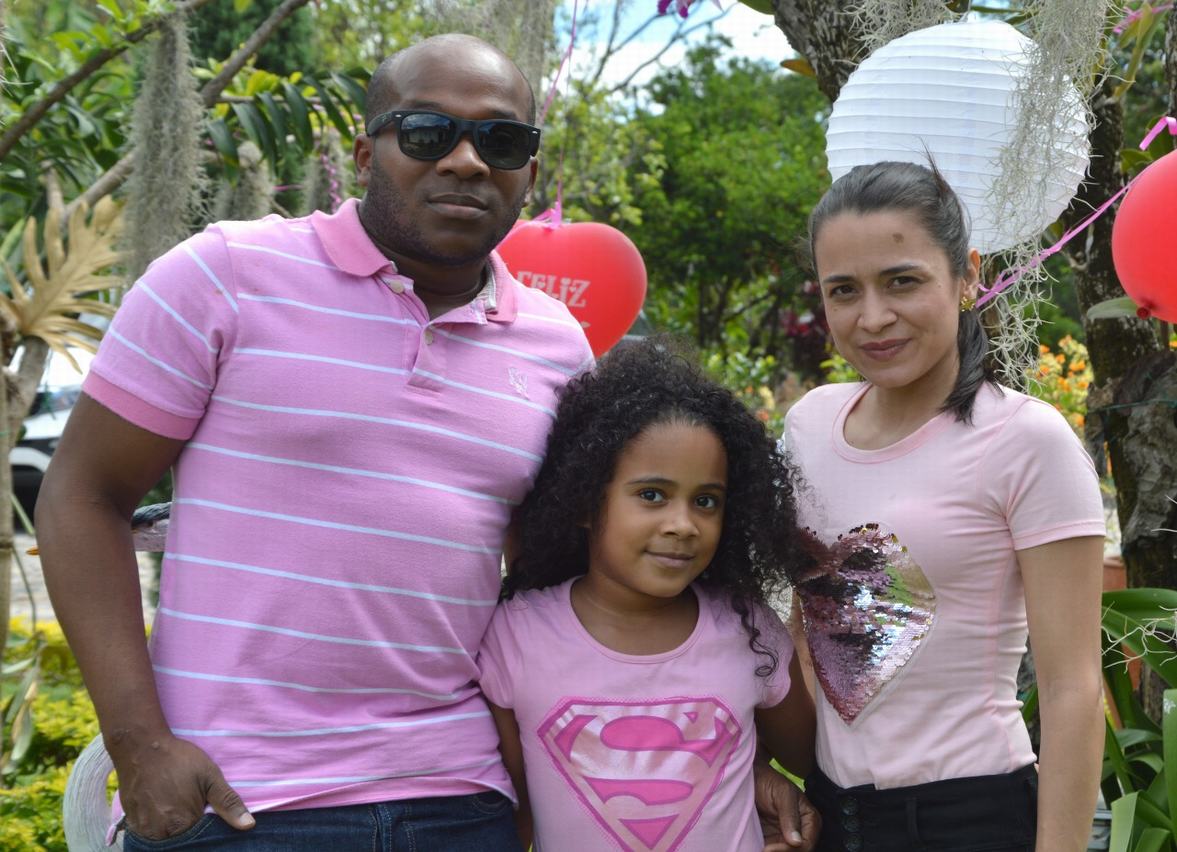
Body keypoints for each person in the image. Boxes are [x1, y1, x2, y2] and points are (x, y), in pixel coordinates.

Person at [36, 33, 593, 850]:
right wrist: (139, 745)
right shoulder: (225, 274)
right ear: (366, 153)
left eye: (500, 140)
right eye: (427, 132)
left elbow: (553, 578)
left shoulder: (557, 347)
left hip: (461, 798)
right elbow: (83, 495)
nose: (467, 161)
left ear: (529, 172)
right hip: (238, 802)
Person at [782, 161, 1106, 851]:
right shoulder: (808, 426)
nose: (873, 317)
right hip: (832, 818)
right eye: (844, 290)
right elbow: (802, 638)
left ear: (967, 276)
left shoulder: (1025, 441)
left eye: (902, 280)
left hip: (971, 819)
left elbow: (1072, 688)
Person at [478, 338, 819, 851]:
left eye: (706, 501)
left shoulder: (750, 633)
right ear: (586, 501)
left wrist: (757, 773)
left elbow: (809, 761)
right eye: (652, 495)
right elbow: (514, 816)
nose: (683, 524)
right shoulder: (515, 637)